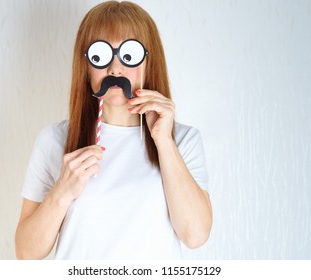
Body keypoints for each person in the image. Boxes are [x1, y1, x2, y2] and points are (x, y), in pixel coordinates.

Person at [15, 0, 212, 260]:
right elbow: (26, 251)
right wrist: (62, 192)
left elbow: (195, 235)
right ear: (85, 66)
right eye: (101, 56)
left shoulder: (183, 140)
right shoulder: (55, 140)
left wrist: (164, 141)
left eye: (129, 55)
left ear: (149, 61)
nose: (115, 69)